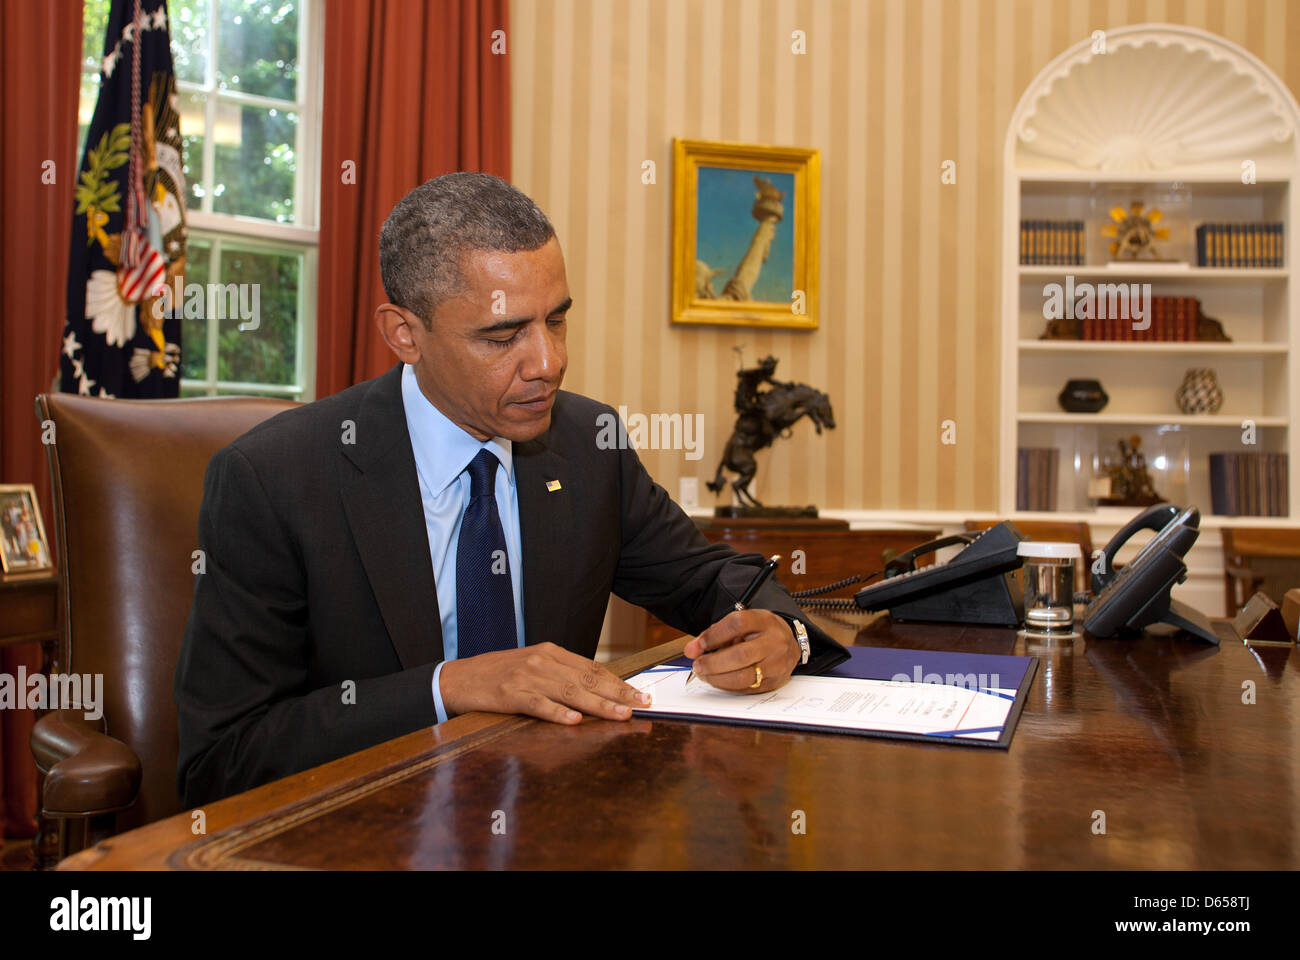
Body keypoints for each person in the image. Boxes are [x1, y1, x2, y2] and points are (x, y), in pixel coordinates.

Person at [174, 172, 847, 807]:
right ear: (404, 334)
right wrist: (452, 687)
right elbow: (224, 758)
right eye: (503, 336)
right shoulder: (275, 480)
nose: (548, 363)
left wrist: (784, 632)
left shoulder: (589, 444)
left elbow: (711, 578)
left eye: (555, 320)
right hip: (365, 830)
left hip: (551, 817)